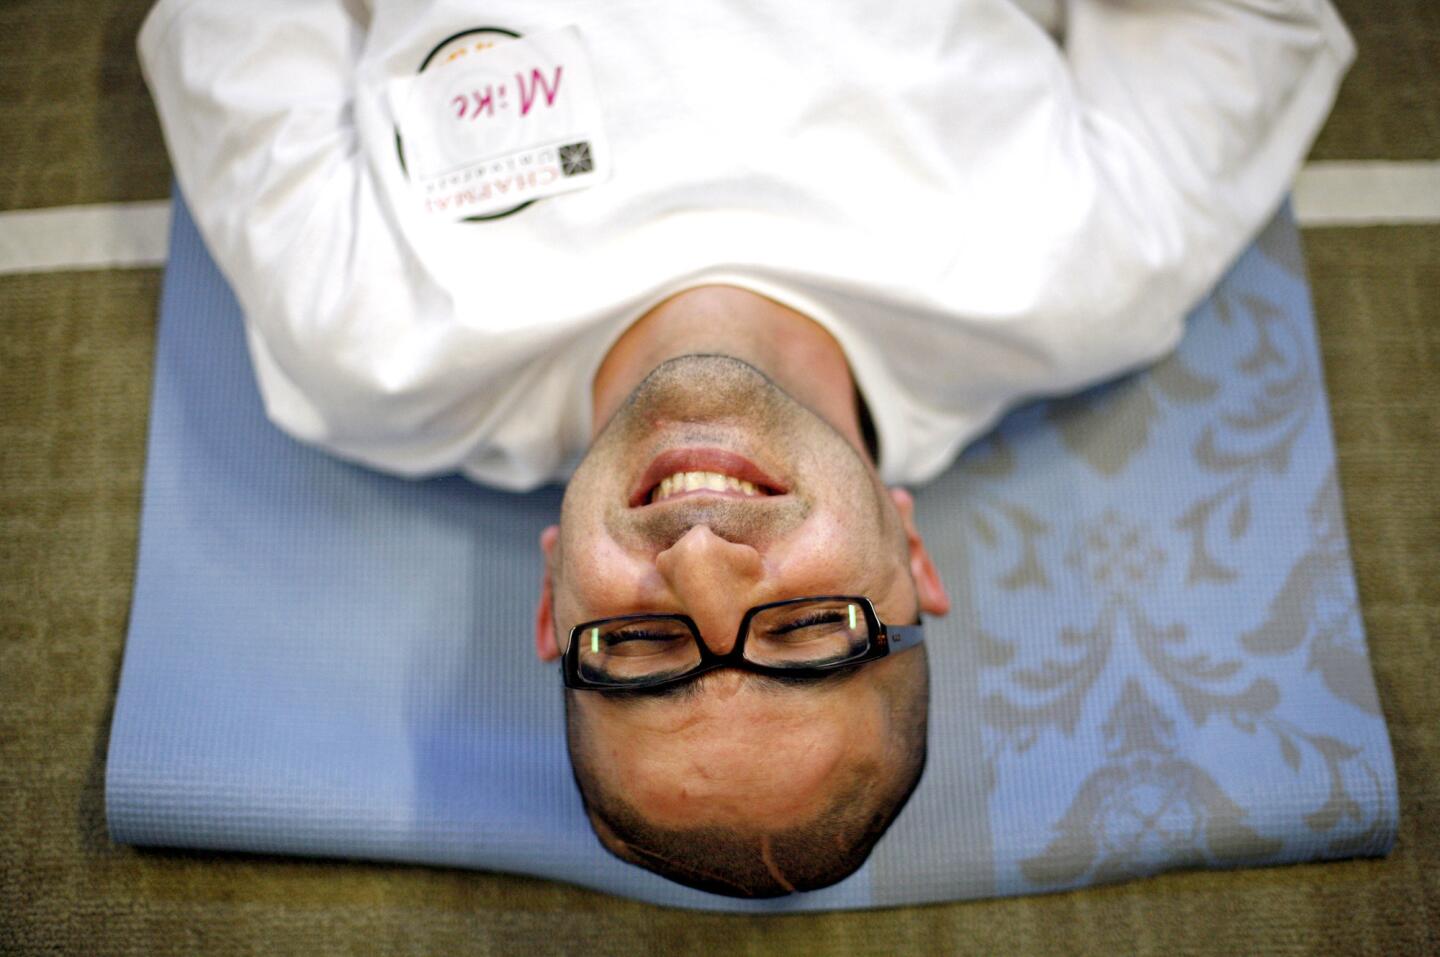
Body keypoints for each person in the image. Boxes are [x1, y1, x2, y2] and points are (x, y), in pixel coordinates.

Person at [139, 0, 1353, 897]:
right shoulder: (1079, 277)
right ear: (916, 564)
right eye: (811, 631)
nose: (707, 562)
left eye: (643, 645)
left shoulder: (368, 342)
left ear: (555, 604)